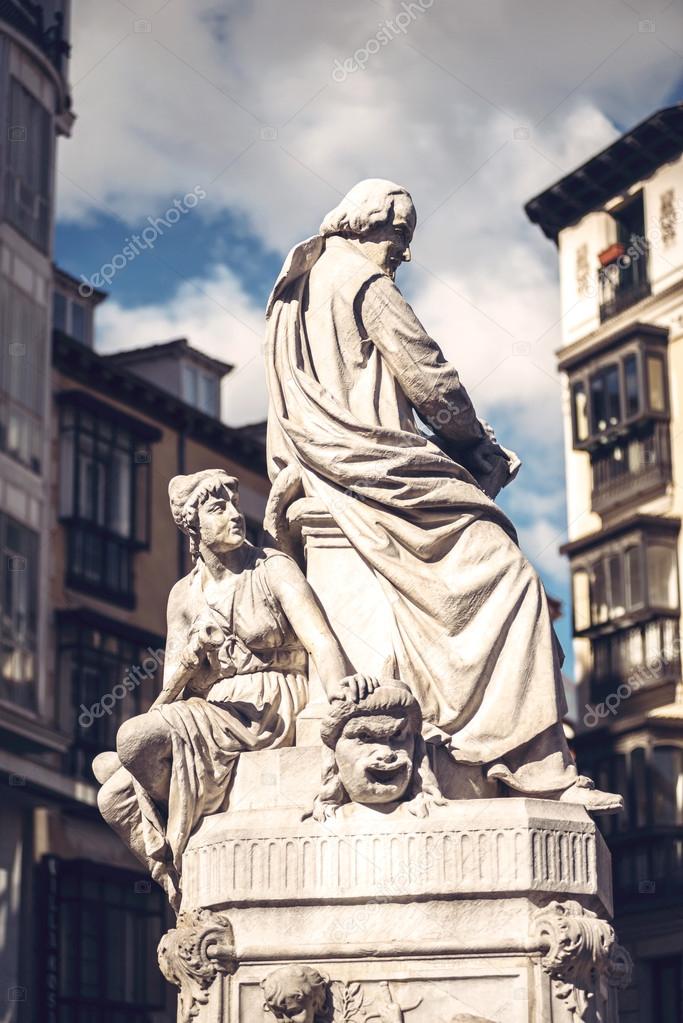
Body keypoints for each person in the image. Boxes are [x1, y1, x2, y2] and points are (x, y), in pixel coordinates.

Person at [264, 178, 620, 814]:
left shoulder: (295, 291)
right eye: (399, 237)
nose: (402, 253)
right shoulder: (365, 285)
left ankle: (488, 736)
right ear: (366, 227)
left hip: (328, 468)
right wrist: (477, 445)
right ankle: (525, 759)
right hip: (383, 471)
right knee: (511, 579)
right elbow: (431, 379)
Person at [95, 469, 378, 908]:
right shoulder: (183, 596)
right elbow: (166, 699)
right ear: (193, 525)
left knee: (131, 742)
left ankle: (180, 827)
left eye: (235, 503)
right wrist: (191, 657)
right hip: (213, 709)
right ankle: (171, 873)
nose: (235, 514)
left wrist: (340, 711)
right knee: (111, 788)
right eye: (218, 507)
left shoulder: (272, 568)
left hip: (270, 703)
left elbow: (321, 640)